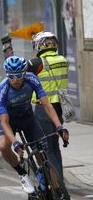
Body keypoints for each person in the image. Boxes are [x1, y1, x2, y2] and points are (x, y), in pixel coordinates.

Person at [0, 56, 70, 200]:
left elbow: (47, 105)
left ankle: (59, 196)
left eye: (19, 75)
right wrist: (14, 142)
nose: (15, 79)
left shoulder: (32, 79)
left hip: (28, 119)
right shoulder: (2, 90)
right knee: (3, 145)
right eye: (11, 76)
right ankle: (22, 174)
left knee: (44, 154)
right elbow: (4, 121)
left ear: (25, 72)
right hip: (10, 122)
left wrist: (59, 126)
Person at [27, 31, 69, 179]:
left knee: (46, 148)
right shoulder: (63, 60)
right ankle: (60, 181)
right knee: (55, 146)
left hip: (43, 109)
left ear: (39, 45)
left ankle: (55, 185)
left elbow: (18, 73)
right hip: (59, 109)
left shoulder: (36, 63)